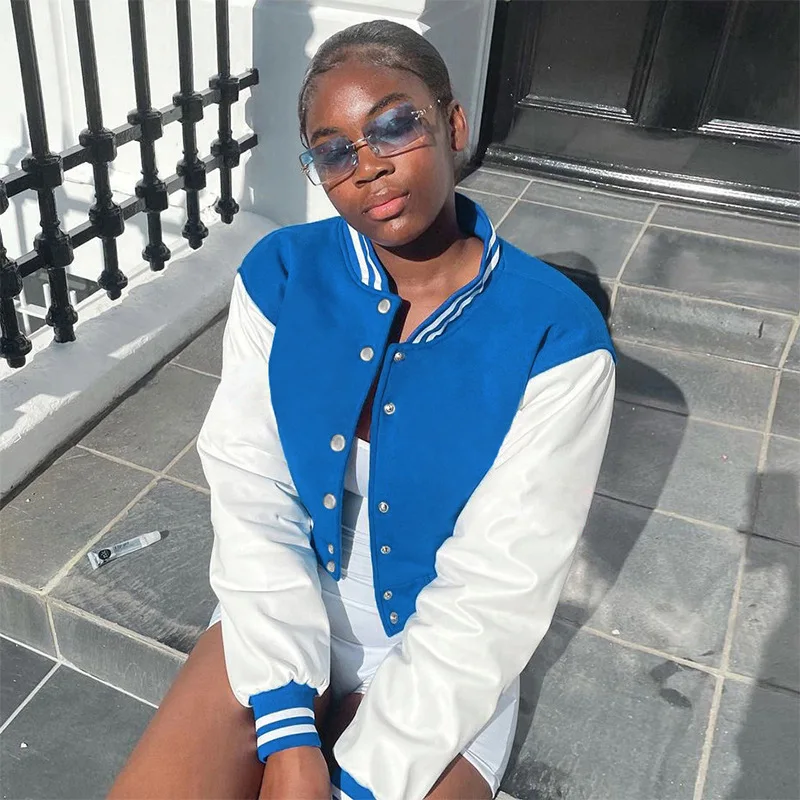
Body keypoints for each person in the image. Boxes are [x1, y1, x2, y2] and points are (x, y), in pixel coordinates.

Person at [110, 19, 615, 800]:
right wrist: (288, 733)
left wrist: (361, 779)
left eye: (394, 125)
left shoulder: (557, 335)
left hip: (448, 648)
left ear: (453, 124)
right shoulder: (283, 275)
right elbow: (252, 488)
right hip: (282, 601)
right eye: (334, 151)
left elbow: (501, 582)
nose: (368, 165)